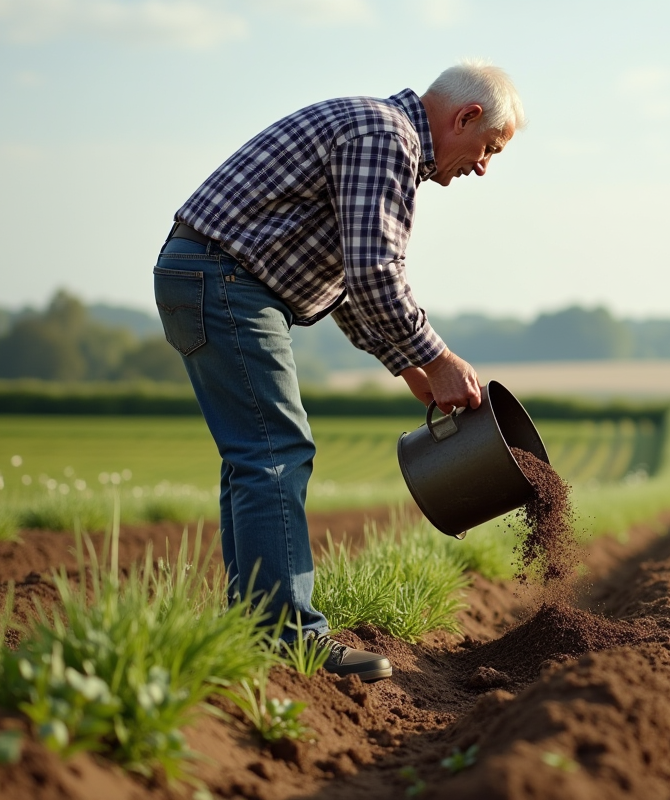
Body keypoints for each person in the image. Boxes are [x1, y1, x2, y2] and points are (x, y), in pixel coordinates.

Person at [152, 61, 524, 681]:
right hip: (225, 281)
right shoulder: (387, 138)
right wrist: (440, 359)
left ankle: (252, 629)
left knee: (256, 456)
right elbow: (377, 275)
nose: (482, 166)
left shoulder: (379, 132)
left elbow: (347, 289)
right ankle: (288, 634)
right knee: (275, 451)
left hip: (213, 275)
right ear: (466, 117)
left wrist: (412, 369)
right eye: (489, 148)